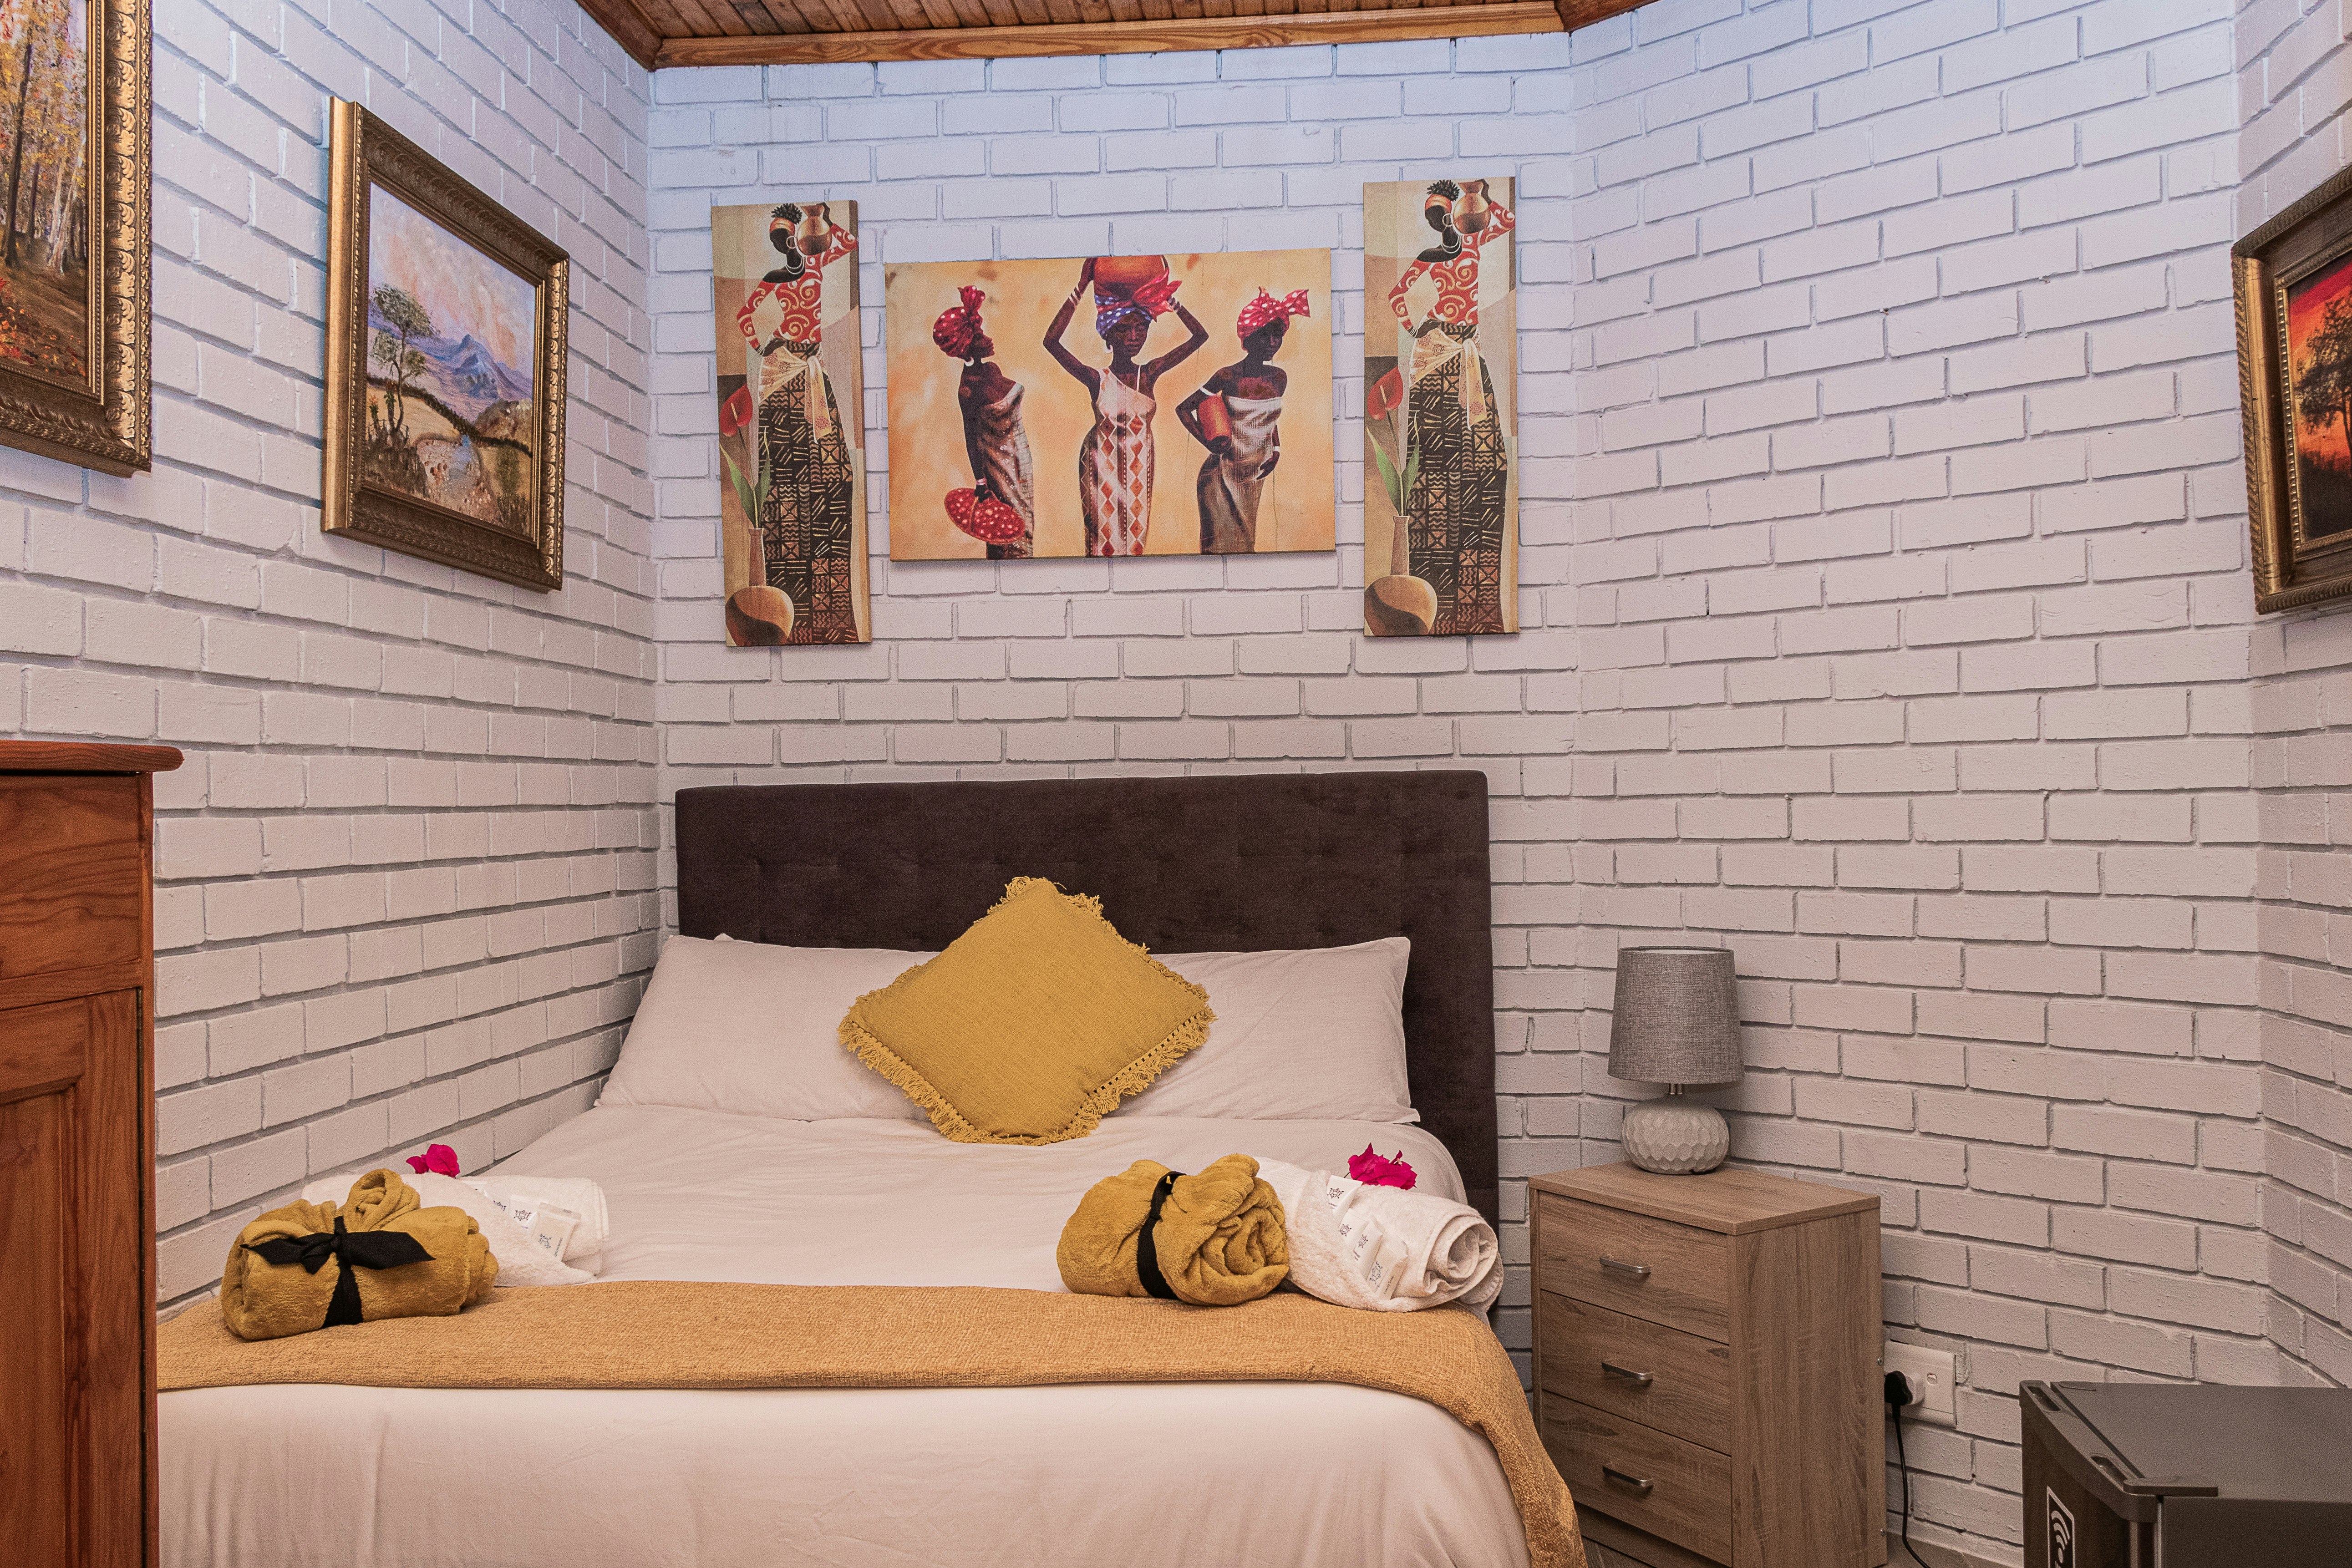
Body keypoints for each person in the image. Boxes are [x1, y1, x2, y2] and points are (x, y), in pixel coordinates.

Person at [1386, 179, 1514, 635]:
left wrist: (1481, 192)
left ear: (1457, 215)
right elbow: (1397, 296)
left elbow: (1507, 221)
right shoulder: (1428, 257)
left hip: (1467, 353)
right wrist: (1417, 329)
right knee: (1432, 466)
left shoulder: (1474, 242)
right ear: (1432, 222)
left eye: (1447, 213)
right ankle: (1433, 600)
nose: (1442, 222)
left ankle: (1476, 603)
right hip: (1435, 352)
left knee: (1484, 461)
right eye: (1434, 217)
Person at [733, 203, 859, 642]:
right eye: (780, 239)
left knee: (833, 474)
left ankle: (828, 613)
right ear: (777, 244)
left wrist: (822, 215)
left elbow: (849, 243)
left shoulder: (817, 262)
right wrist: (762, 346)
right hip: (781, 370)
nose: (787, 244)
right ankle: (789, 606)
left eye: (791, 236)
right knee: (783, 479)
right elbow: (744, 316)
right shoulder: (773, 278)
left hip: (811, 372)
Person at [1045, 256, 1208, 556]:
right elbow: (1051, 342)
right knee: (1101, 541)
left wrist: (1165, 296)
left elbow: (1200, 336)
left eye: (1141, 329)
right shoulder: (1097, 379)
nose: (1134, 338)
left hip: (1139, 467)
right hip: (1099, 467)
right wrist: (1081, 287)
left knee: (1134, 542)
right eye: (1123, 330)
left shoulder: (1149, 374)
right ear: (1108, 335)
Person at [1179, 288, 1308, 554]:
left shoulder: (1279, 379)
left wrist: (1276, 450)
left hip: (1254, 476)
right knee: (1217, 550)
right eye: (1265, 335)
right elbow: (1184, 409)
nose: (1272, 342)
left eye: (1277, 336)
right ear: (1249, 337)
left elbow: (1269, 419)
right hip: (1219, 477)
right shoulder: (1228, 376)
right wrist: (1208, 443)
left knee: (1246, 546)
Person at [933, 285, 1035, 560]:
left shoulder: (991, 369)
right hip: (999, 466)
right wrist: (980, 482)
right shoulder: (969, 390)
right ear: (966, 345)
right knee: (1008, 530)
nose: (988, 339)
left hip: (1021, 459)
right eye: (979, 336)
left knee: (1026, 524)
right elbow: (971, 439)